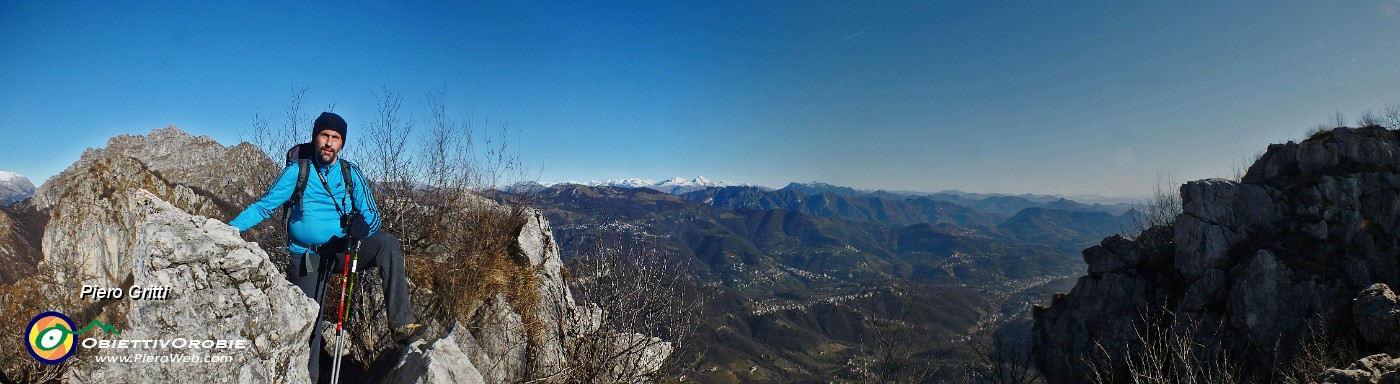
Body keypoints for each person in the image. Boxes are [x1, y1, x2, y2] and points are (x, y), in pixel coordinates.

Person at [229, 112, 419, 380]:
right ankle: (309, 377)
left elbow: (372, 215)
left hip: (344, 251)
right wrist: (228, 230)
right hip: (307, 258)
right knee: (310, 326)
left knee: (387, 243)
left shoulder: (350, 173)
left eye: (335, 137)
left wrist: (363, 227)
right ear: (315, 137)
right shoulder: (298, 172)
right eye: (324, 136)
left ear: (342, 143)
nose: (329, 142)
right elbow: (263, 206)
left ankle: (401, 325)